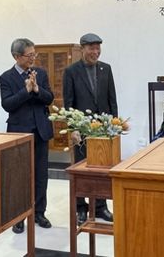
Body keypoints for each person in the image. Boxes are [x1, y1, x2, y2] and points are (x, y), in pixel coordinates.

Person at [0, 38, 54, 233]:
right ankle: (19, 215)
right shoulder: (6, 77)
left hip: (40, 130)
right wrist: (26, 90)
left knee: (41, 174)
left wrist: (37, 90)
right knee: (19, 175)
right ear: (16, 56)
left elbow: (50, 98)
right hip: (19, 133)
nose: (33, 58)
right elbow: (7, 104)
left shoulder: (41, 73)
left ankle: (39, 212)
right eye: (29, 55)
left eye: (34, 54)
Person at [63, 33, 118, 225]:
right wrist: (73, 128)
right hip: (82, 129)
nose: (96, 52)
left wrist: (114, 125)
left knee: (101, 168)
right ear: (82, 49)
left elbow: (112, 99)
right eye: (91, 48)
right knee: (81, 168)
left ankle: (100, 206)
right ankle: (81, 207)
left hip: (102, 129)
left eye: (98, 48)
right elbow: (69, 103)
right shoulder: (71, 71)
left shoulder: (106, 69)